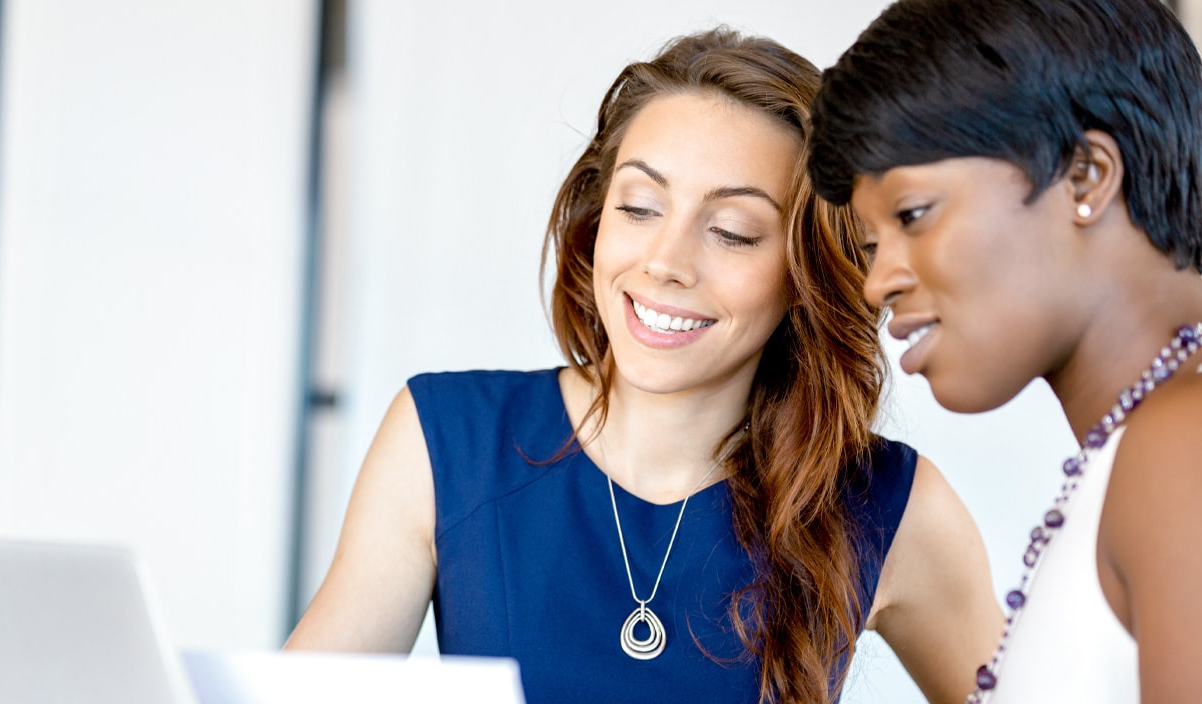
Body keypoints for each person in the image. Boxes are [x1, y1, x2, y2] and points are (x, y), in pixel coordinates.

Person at [288, 27, 1001, 703]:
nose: (665, 262)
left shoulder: (894, 506)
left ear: (804, 272)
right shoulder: (446, 440)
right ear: (597, 221)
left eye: (732, 232)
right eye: (639, 207)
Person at [807, 0, 1202, 701]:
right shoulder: (1138, 449)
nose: (877, 284)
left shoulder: (1181, 445)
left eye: (912, 215)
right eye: (871, 247)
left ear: (1085, 175)